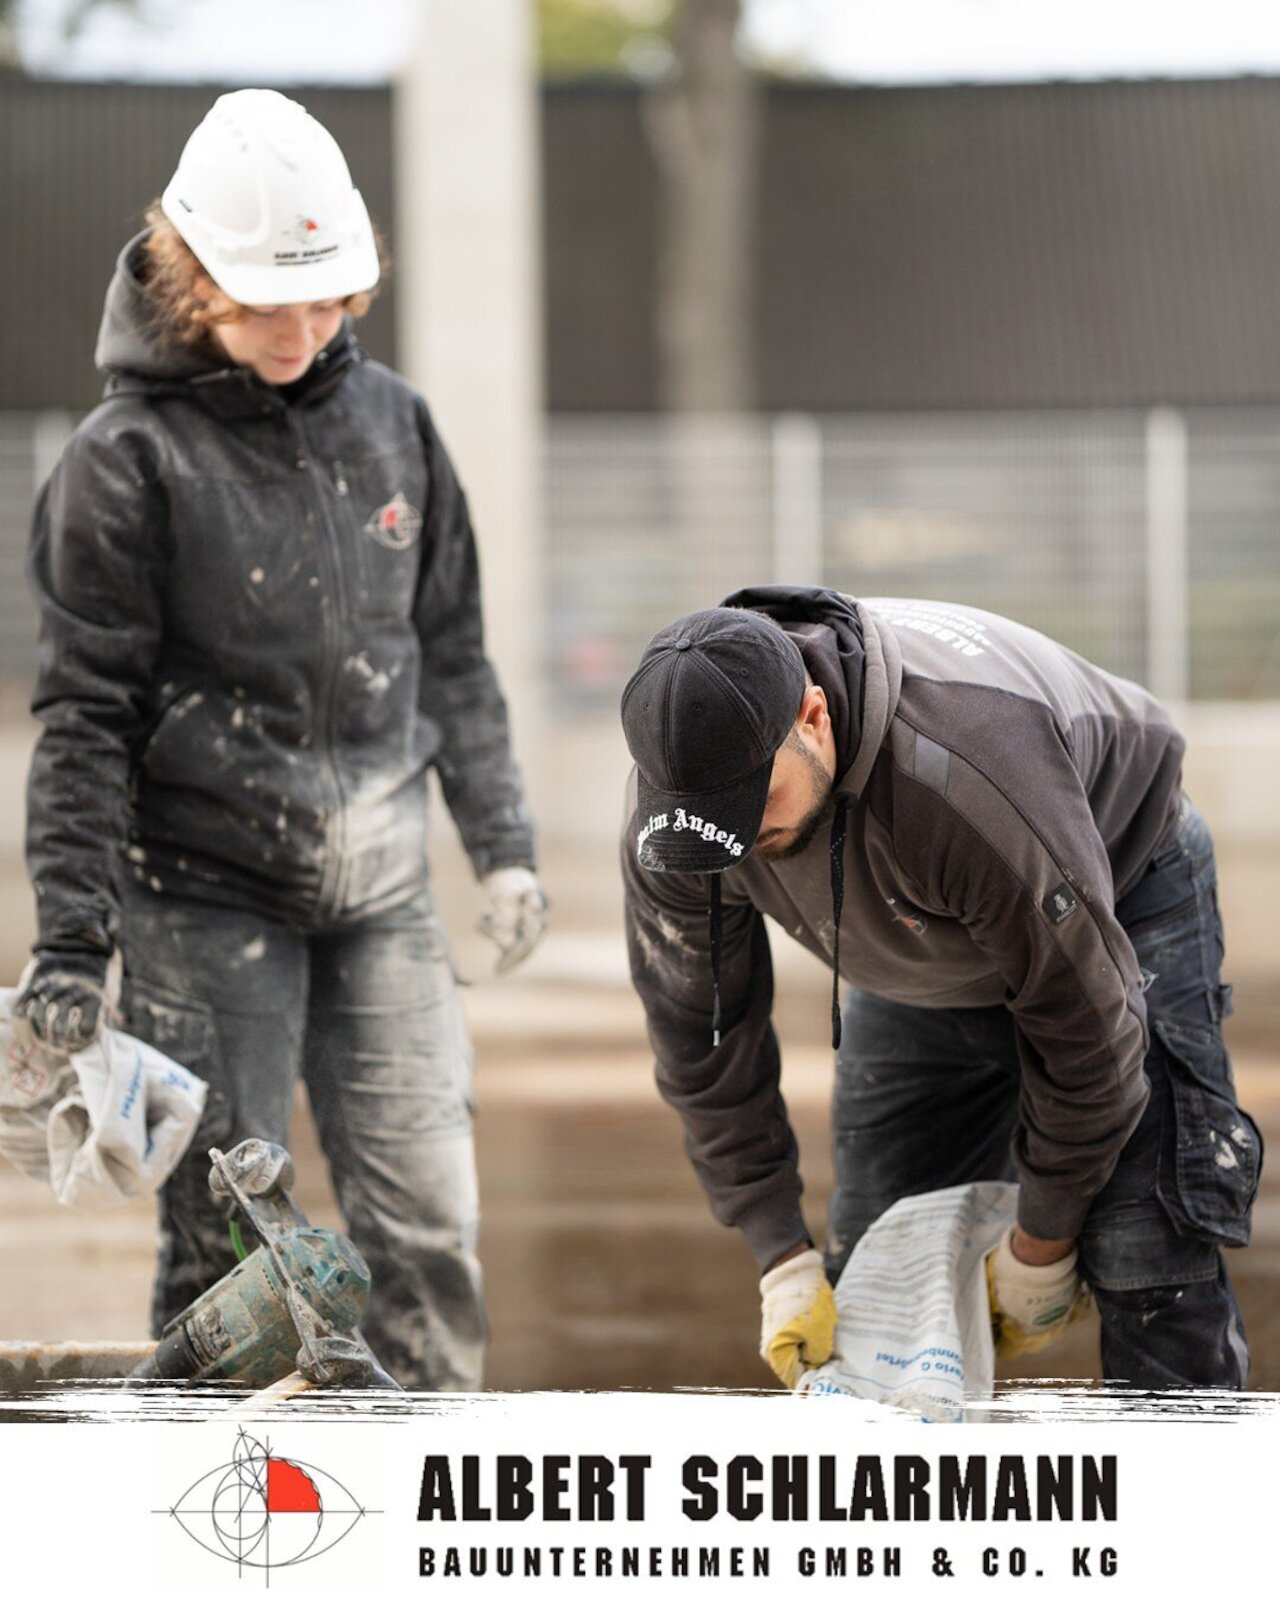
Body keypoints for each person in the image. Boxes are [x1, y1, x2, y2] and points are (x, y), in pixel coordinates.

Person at [14, 89, 547, 1390]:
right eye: (268, 304)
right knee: (229, 1247)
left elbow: (455, 657)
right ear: (192, 280)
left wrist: (506, 844)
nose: (305, 330)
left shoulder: (398, 431)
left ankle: (425, 1519)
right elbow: (84, 719)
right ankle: (214, 1532)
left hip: (383, 892)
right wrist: (74, 941)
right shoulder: (122, 465)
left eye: (327, 301)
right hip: (199, 895)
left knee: (425, 1232)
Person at [620, 584, 1261, 1390]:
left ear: (813, 717)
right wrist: (779, 1252)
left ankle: (1186, 1500)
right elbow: (700, 1037)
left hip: (1117, 887)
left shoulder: (966, 771)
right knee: (878, 1288)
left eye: (755, 806)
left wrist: (1042, 1246)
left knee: (1145, 1255)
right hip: (912, 926)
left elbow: (1087, 1032)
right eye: (717, 821)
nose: (740, 841)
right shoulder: (681, 815)